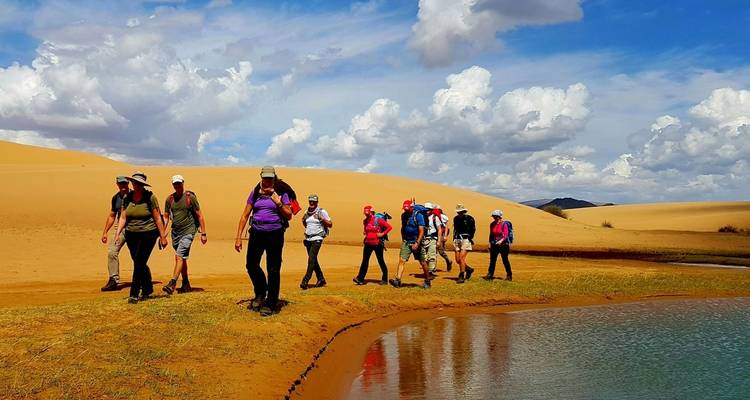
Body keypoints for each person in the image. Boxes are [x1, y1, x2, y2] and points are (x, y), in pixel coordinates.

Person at [234, 166, 293, 317]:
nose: (267, 181)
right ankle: (260, 292)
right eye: (265, 178)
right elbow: (244, 215)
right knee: (251, 264)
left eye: (270, 178)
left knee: (273, 268)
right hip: (256, 233)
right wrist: (238, 237)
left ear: (274, 178)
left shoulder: (281, 193)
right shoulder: (255, 193)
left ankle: (271, 302)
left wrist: (278, 202)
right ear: (261, 177)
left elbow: (289, 215)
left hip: (275, 233)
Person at [114, 172, 168, 304]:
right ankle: (148, 288)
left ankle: (134, 293)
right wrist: (117, 233)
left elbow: (157, 218)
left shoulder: (150, 197)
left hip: (148, 233)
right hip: (131, 233)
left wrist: (162, 236)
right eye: (135, 183)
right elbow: (123, 217)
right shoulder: (127, 197)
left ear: (143, 185)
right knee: (139, 262)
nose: (136, 186)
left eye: (139, 184)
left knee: (138, 262)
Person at [162, 175, 207, 295]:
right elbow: (166, 217)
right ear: (173, 185)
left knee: (179, 256)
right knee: (181, 258)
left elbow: (199, 215)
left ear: (183, 183)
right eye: (175, 184)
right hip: (175, 233)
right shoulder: (169, 199)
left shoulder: (190, 197)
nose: (177, 186)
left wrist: (203, 233)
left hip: (188, 231)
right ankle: (186, 283)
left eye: (179, 183)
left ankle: (172, 283)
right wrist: (162, 234)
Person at [389, 200, 431, 289]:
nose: (406, 211)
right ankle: (398, 280)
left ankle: (427, 280)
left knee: (423, 262)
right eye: (405, 209)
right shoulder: (403, 215)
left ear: (412, 208)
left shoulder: (418, 216)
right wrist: (403, 239)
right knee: (402, 260)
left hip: (417, 242)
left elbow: (421, 231)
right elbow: (403, 227)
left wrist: (417, 243)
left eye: (407, 209)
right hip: (406, 242)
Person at [100, 176, 130, 291]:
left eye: (125, 184)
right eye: (121, 184)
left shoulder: (134, 195)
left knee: (137, 256)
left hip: (135, 228)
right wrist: (105, 232)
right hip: (120, 229)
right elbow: (112, 215)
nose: (123, 186)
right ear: (117, 184)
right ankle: (114, 280)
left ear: (128, 184)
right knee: (112, 251)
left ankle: (143, 279)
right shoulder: (116, 198)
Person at [300, 194, 332, 290]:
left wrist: (322, 219)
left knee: (311, 260)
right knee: (313, 260)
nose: (312, 203)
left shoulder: (322, 212)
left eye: (314, 201)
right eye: (310, 201)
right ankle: (321, 279)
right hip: (308, 239)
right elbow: (305, 222)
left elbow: (330, 224)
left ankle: (305, 281)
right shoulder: (307, 212)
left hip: (317, 238)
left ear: (317, 202)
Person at [354, 205, 392, 285]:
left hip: (378, 243)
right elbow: (366, 230)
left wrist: (382, 234)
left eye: (368, 213)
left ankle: (385, 279)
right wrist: (366, 233)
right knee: (365, 260)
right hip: (368, 243)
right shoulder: (365, 221)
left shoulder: (378, 220)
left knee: (380, 260)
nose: (366, 215)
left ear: (371, 212)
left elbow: (389, 227)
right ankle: (360, 278)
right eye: (365, 214)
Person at [484, 210, 512, 281]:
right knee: (492, 260)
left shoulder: (504, 224)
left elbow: (506, 235)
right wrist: (489, 243)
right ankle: (490, 274)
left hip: (503, 245)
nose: (494, 218)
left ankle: (509, 275)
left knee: (505, 260)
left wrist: (501, 241)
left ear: (499, 217)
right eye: (493, 217)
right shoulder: (492, 224)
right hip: (494, 245)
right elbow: (491, 234)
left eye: (496, 217)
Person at [452, 204, 476, 284]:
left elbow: (473, 229)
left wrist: (470, 238)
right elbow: (455, 229)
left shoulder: (469, 218)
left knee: (461, 258)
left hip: (465, 239)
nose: (460, 213)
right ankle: (468, 269)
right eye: (458, 212)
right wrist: (454, 238)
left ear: (464, 211)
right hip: (457, 239)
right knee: (457, 260)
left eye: (461, 212)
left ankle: (461, 276)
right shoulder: (455, 219)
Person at [423, 202, 443, 275]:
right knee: (424, 257)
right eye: (426, 209)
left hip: (432, 238)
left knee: (432, 255)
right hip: (424, 239)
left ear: (431, 210)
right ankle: (427, 270)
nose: (427, 211)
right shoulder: (422, 217)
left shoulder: (435, 218)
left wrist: (439, 241)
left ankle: (430, 271)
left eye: (428, 209)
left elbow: (439, 229)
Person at [434, 205, 453, 272]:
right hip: (434, 235)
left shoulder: (443, 217)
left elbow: (446, 227)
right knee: (434, 251)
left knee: (441, 251)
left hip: (441, 235)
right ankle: (433, 267)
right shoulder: (432, 216)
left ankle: (448, 260)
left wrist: (445, 236)